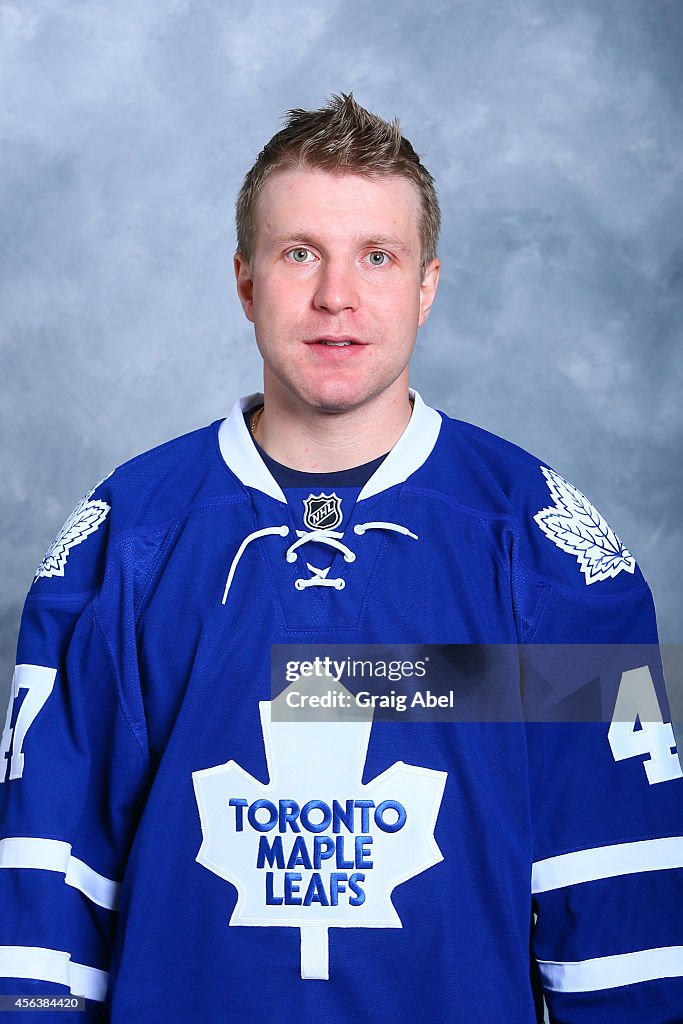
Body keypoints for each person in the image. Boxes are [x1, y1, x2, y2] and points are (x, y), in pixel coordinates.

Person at [0, 93, 681, 1023]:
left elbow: (619, 906)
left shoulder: (541, 547)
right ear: (245, 281)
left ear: (425, 285)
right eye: (298, 254)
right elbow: (44, 903)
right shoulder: (127, 536)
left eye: (377, 256)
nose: (336, 298)